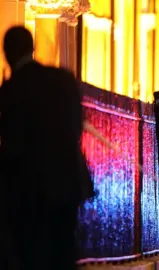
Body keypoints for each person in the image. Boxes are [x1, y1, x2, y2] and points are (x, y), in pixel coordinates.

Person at [0, 26, 94, 270]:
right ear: (32, 48)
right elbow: (76, 126)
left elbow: (13, 144)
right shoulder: (62, 79)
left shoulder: (12, 90)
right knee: (64, 249)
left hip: (32, 189)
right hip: (68, 182)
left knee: (34, 253)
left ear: (7, 53)